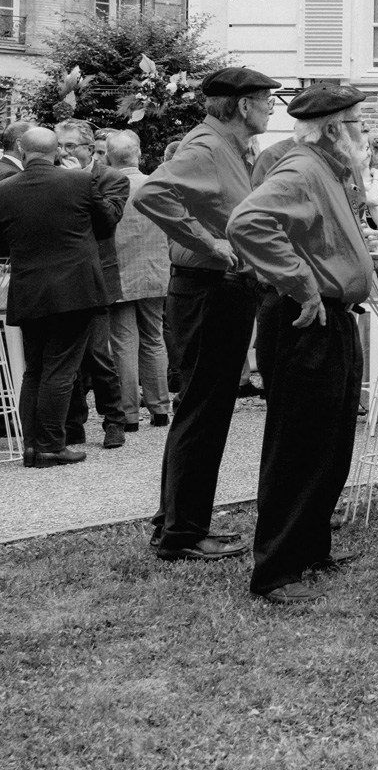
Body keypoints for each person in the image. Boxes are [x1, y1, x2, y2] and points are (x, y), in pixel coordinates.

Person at [224, 84, 375, 605]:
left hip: (331, 319)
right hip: (307, 319)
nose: (365, 131)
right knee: (299, 445)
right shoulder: (302, 168)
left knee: (329, 444)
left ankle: (310, 549)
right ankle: (276, 570)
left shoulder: (324, 169)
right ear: (334, 129)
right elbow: (247, 221)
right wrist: (302, 283)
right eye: (358, 122)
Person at [137, 66, 280, 561]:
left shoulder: (229, 148)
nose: (271, 108)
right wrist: (211, 245)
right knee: (203, 410)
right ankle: (181, 532)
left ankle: (176, 522)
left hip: (218, 289)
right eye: (267, 101)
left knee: (203, 408)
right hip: (208, 289)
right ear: (243, 105)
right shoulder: (205, 146)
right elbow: (150, 193)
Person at [0, 128, 127, 467]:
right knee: (60, 369)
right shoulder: (78, 182)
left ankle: (32, 446)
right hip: (76, 287)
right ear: (56, 150)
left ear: (22, 151)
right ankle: (51, 446)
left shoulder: (4, 190)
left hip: (28, 289)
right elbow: (106, 224)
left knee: (35, 370)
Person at [105, 129, 171, 428]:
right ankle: (159, 408)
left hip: (119, 271)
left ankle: (129, 413)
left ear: (108, 156)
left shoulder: (105, 186)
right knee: (154, 338)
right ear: (139, 154)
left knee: (123, 342)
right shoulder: (156, 185)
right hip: (154, 268)